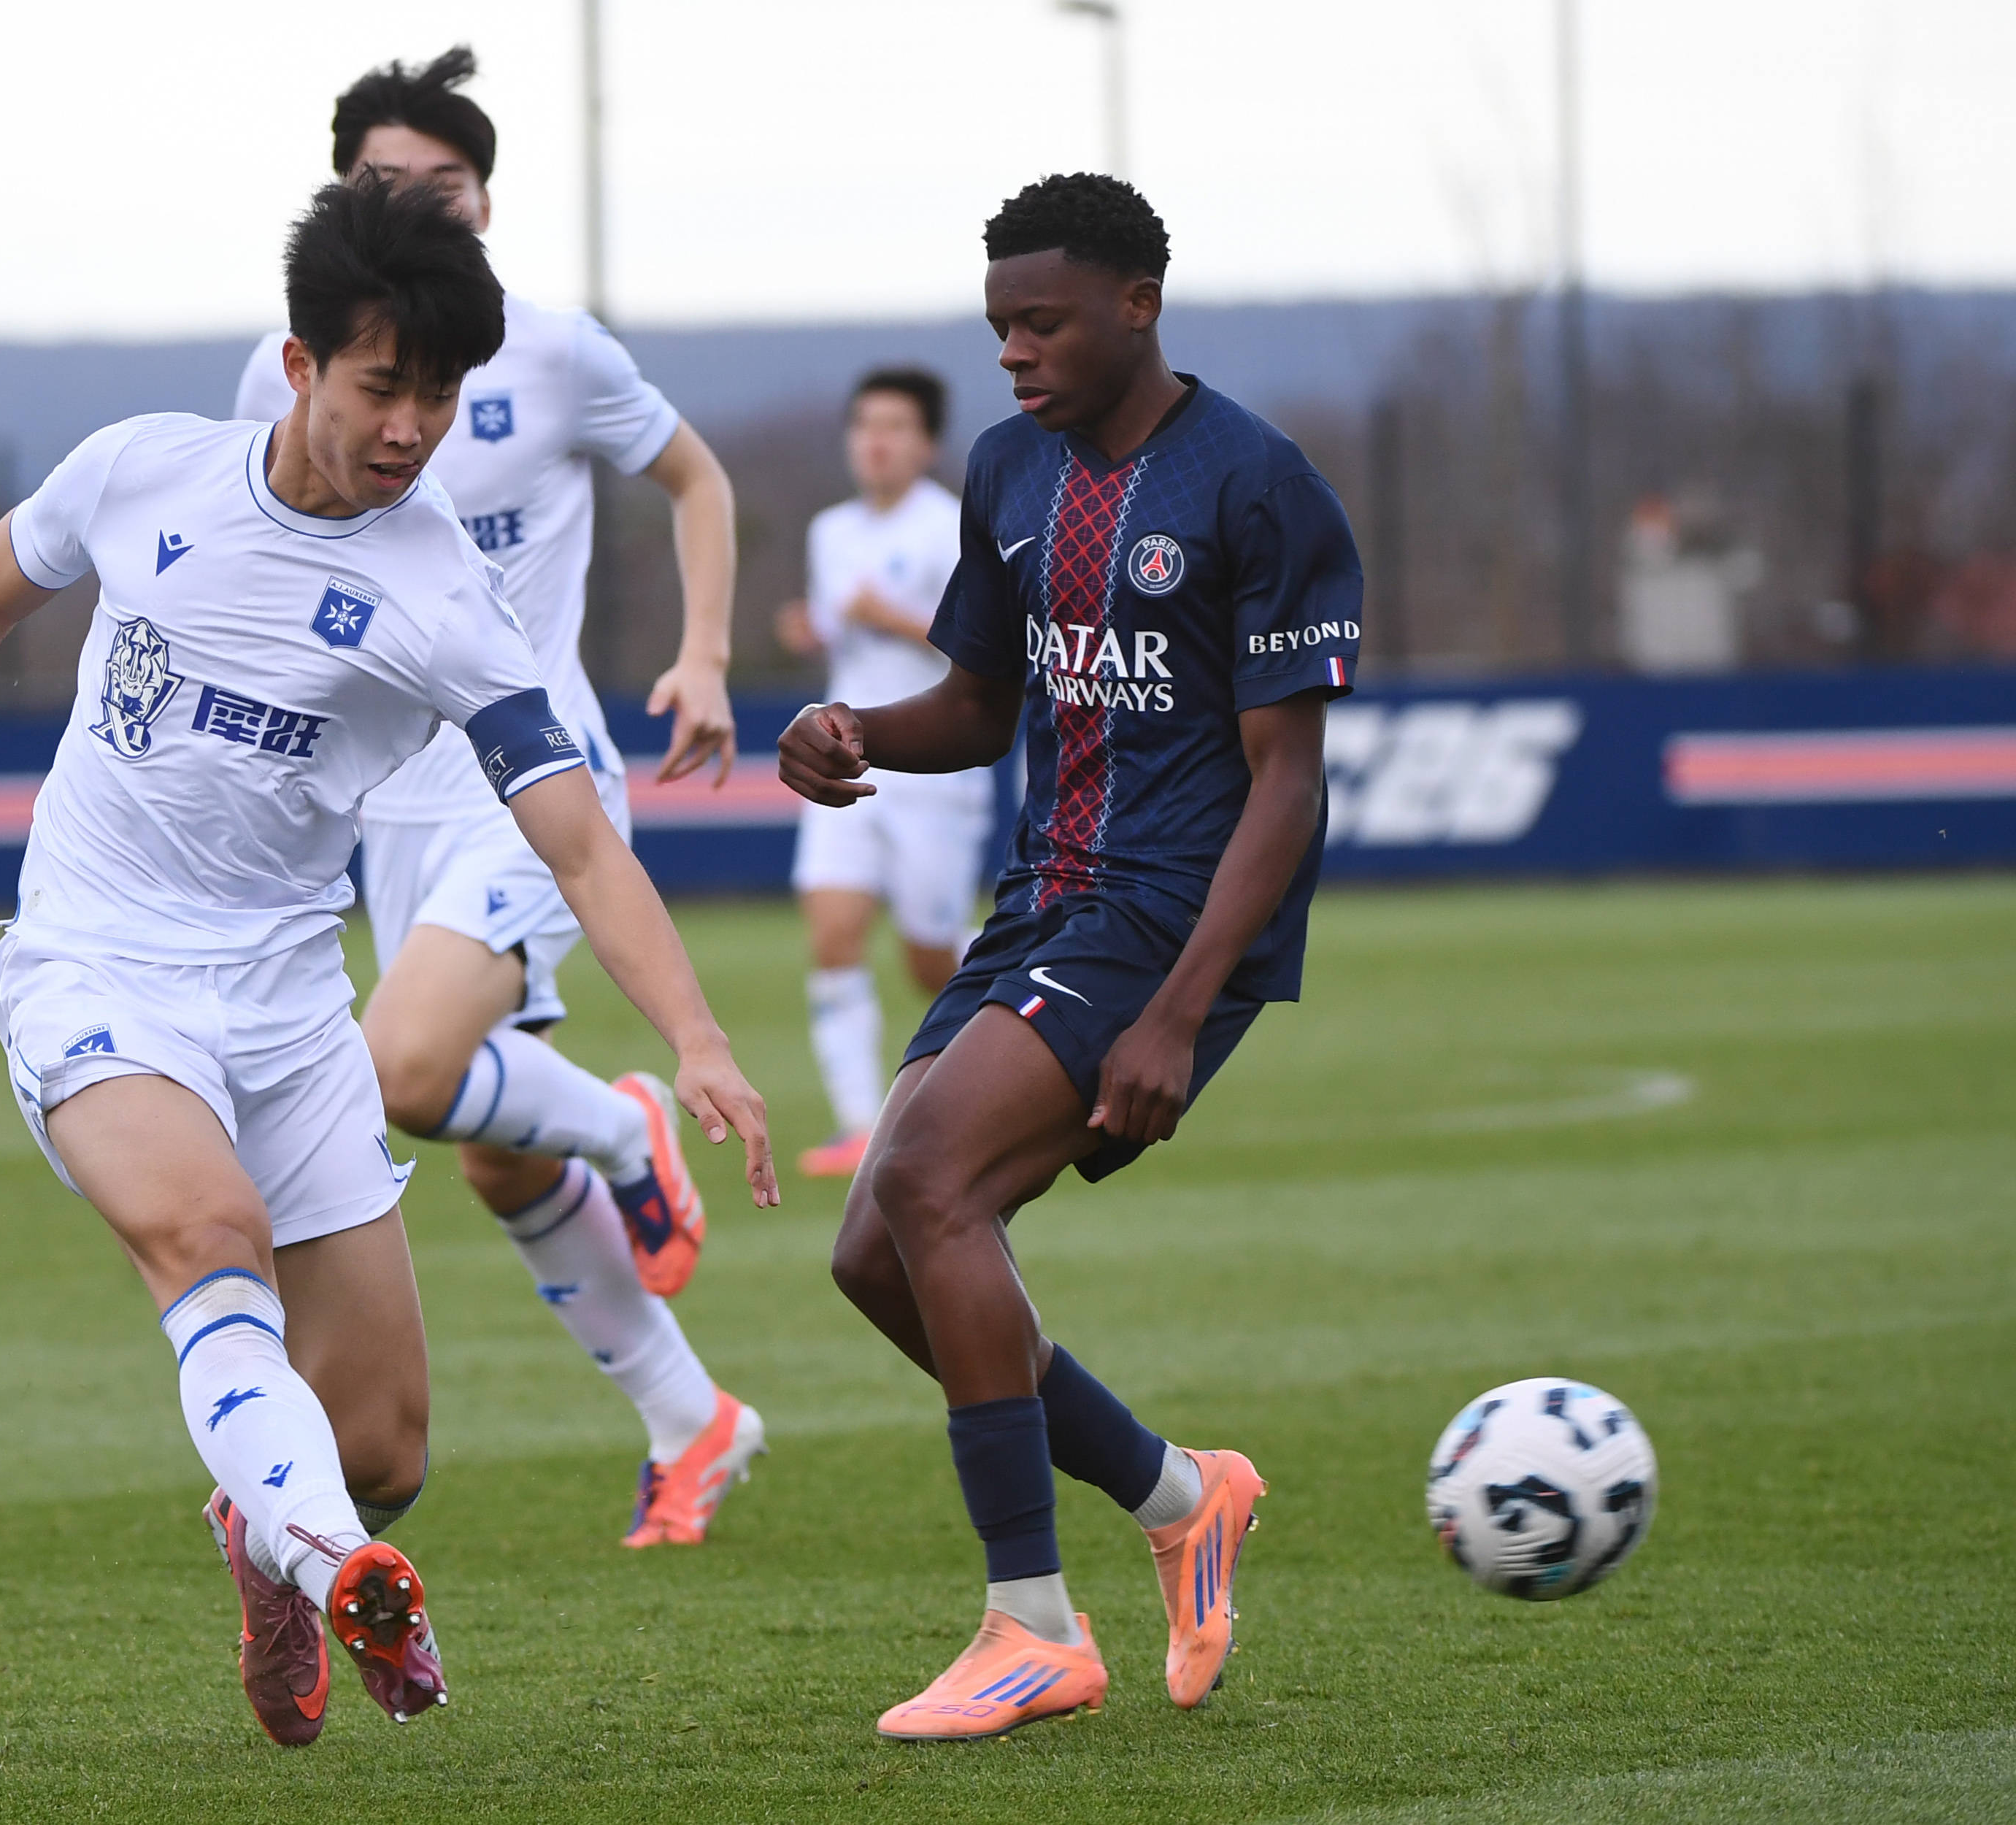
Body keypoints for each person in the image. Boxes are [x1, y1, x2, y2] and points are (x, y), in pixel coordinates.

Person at [0, 179, 775, 1745]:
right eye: (383, 386)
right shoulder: (140, 472)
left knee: (382, 1444)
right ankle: (335, 1564)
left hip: (291, 1006)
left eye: (440, 395)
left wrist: (698, 1036)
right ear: (301, 365)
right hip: (95, 964)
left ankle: (276, 1532)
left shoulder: (442, 593)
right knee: (208, 1234)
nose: (412, 428)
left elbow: (582, 846)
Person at [778, 173, 1361, 1741]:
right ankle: (1179, 1495)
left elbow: (1289, 783)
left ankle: (1031, 1624)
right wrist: (852, 731)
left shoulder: (1256, 484)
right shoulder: (1009, 468)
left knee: (933, 1184)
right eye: (999, 326)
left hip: (1167, 917)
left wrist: (1178, 1011)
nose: (1013, 352)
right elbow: (980, 707)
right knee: (873, 1253)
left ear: (1137, 304)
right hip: (1042, 900)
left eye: (1041, 322)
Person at [233, 49, 766, 1550]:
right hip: (383, 810)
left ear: (485, 200)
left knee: (401, 1066)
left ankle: (626, 1126)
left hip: (531, 785)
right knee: (491, 1148)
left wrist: (705, 653)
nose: (420, 204)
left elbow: (700, 480)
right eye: (386, 183)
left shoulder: (551, 354)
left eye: (446, 185)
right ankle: (690, 1418)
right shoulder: (287, 371)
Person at [774, 369, 991, 1177]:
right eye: (865, 424)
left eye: (896, 426)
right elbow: (845, 635)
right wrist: (814, 630)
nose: (876, 441)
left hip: (933, 767)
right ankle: (860, 1128)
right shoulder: (830, 531)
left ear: (926, 442)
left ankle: (1029, 1026)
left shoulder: (951, 527)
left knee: (930, 959)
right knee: (832, 932)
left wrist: (892, 617)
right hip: (844, 753)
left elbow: (984, 652)